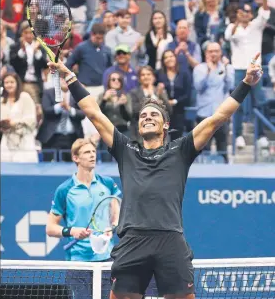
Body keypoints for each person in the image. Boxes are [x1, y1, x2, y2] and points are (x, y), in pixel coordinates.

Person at [48, 52, 263, 299]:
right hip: (132, 240)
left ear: (164, 126)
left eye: (153, 115)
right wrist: (70, 77)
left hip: (170, 239)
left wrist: (246, 83)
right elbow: (94, 113)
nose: (147, 117)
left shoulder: (181, 150)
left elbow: (218, 119)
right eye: (143, 116)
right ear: (138, 126)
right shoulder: (124, 148)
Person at [46, 138, 121, 299]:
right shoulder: (65, 189)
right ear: (76, 158)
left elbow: (116, 212)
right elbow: (50, 228)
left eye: (94, 151)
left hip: (106, 259)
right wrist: (72, 231)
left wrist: (112, 226)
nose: (92, 155)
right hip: (79, 262)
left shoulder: (107, 183)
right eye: (87, 152)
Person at [225, 0, 270, 149]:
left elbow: (265, 11)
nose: (245, 14)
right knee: (237, 103)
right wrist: (237, 20)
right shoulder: (232, 26)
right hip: (239, 69)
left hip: (256, 68)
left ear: (251, 14)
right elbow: (228, 37)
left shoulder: (257, 25)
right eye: (242, 12)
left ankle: (261, 136)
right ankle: (238, 135)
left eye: (248, 12)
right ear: (238, 13)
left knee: (259, 102)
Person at [193, 42, 235, 163]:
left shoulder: (227, 67)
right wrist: (208, 72)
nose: (213, 54)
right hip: (204, 113)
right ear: (206, 53)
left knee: (222, 147)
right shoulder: (199, 68)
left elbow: (229, 86)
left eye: (216, 51)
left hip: (221, 114)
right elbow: (198, 87)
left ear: (220, 53)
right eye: (210, 51)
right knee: (202, 147)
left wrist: (226, 69)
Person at [37, 77, 85, 162]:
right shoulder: (48, 92)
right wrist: (60, 106)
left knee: (72, 166)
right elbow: (46, 110)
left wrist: (69, 109)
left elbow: (82, 114)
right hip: (52, 137)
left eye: (68, 79)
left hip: (72, 137)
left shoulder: (78, 94)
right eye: (62, 78)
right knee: (47, 166)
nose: (65, 81)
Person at [1, 72, 38, 163]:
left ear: (17, 83)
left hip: (24, 139)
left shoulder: (25, 97)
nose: (9, 85)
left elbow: (31, 119)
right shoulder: (1, 100)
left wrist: (15, 122)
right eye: (6, 82)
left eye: (12, 82)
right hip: (7, 140)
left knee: (26, 171)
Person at [129, 65, 172, 143]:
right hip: (140, 135)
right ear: (139, 78)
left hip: (160, 134)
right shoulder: (134, 92)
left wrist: (160, 95)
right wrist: (150, 97)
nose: (146, 77)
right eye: (143, 75)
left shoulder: (160, 91)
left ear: (153, 77)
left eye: (148, 74)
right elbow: (134, 111)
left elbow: (169, 110)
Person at [156, 49, 192, 140]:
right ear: (163, 61)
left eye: (171, 56)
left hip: (179, 110)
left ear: (175, 58)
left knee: (176, 138)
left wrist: (175, 101)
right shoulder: (159, 73)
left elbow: (188, 94)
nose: (169, 59)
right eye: (166, 57)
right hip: (162, 111)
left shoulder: (184, 73)